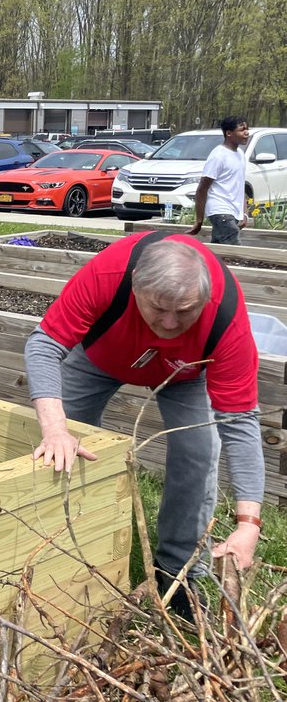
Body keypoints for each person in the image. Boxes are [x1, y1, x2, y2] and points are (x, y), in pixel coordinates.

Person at [25, 232, 263, 616]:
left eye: (185, 311)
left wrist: (249, 522)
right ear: (135, 287)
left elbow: (240, 423)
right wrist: (55, 427)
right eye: (158, 309)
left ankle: (178, 573)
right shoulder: (109, 273)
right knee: (63, 445)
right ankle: (70, 551)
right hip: (100, 358)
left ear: (204, 298)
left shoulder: (226, 316)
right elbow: (44, 345)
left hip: (187, 372)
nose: (169, 324)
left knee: (199, 453)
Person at [189, 116, 250, 245]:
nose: (247, 132)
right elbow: (202, 189)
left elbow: (240, 185)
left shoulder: (240, 154)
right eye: (242, 129)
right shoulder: (218, 156)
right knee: (235, 251)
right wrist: (199, 220)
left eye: (247, 129)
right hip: (220, 210)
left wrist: (244, 213)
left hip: (232, 211)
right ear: (228, 133)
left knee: (218, 249)